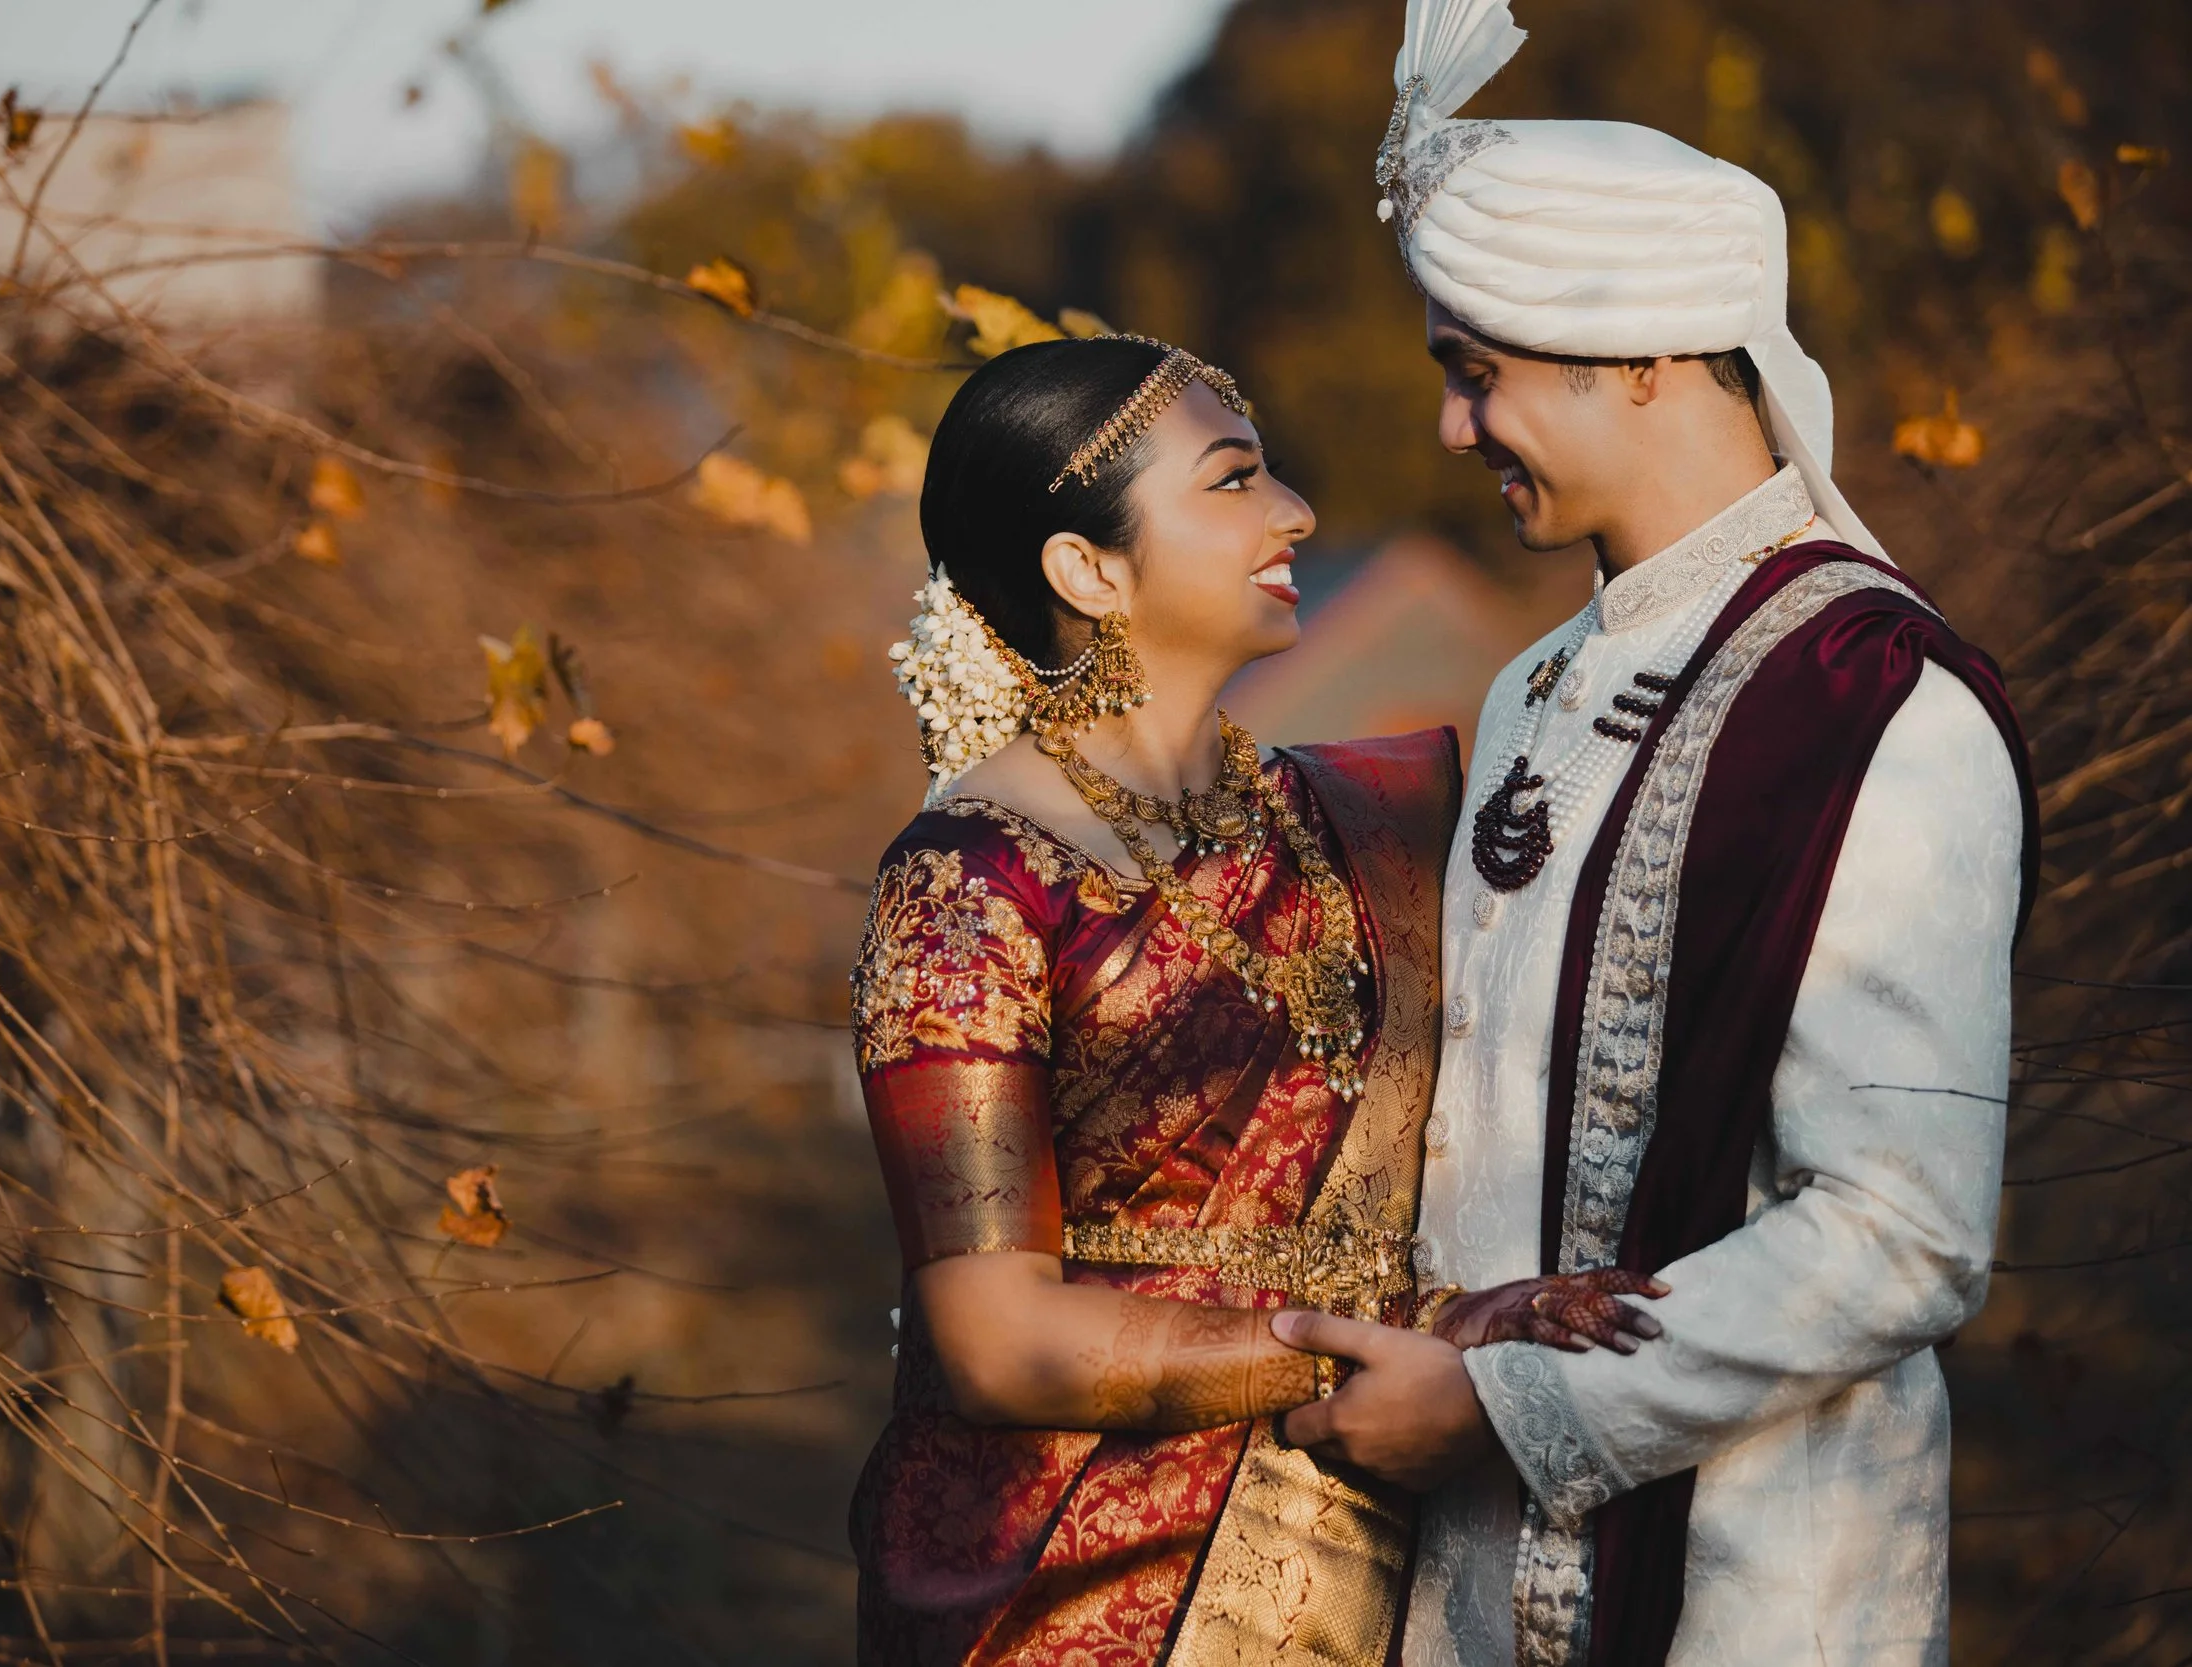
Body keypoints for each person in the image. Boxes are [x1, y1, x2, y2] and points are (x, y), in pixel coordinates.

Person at [1271, 4, 2041, 1666]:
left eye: (1478, 375)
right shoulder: (1541, 676)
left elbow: (1903, 1231)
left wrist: (1502, 1403)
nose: (1452, 431)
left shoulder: (1879, 701)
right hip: (1462, 1578)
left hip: (1755, 1592)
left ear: (1642, 351)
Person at [847, 334, 1663, 1666]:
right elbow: (998, 1340)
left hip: (1389, 1528)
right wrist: (1382, 1347)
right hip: (1082, 1585)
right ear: (1087, 567)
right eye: (1233, 481)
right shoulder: (969, 881)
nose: (1295, 512)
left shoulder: (1371, 823)